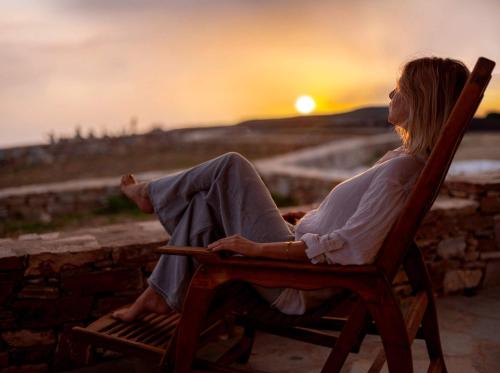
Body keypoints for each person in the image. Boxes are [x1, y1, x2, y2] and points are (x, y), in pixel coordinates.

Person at [113, 57, 470, 321]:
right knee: (205, 202)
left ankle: (150, 197)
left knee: (230, 166)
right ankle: (156, 295)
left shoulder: (402, 171)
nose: (392, 93)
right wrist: (310, 221)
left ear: (421, 100)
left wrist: (255, 248)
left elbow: (352, 248)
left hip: (298, 284)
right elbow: (350, 230)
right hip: (298, 252)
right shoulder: (403, 160)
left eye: (402, 88)